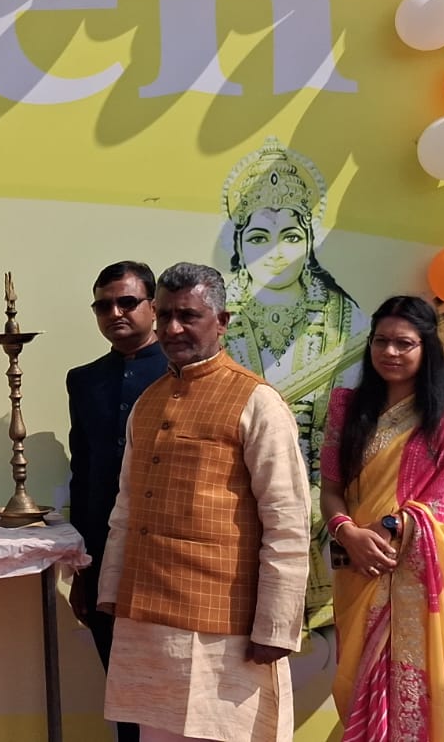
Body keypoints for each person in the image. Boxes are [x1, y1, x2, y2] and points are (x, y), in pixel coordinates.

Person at [98, 262, 311, 742]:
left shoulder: (257, 402)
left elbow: (287, 522)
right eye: (165, 315)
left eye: (189, 316)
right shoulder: (148, 402)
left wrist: (276, 627)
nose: (173, 328)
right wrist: (111, 590)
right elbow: (126, 509)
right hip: (147, 620)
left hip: (224, 627)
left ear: (222, 321)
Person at [320, 296, 444, 741]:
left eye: (404, 343)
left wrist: (392, 527)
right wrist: (348, 533)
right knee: (360, 688)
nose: (390, 352)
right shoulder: (347, 409)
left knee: (419, 698)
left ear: (426, 347)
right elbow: (331, 491)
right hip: (360, 573)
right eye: (381, 341)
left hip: (418, 582)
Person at [219, 141, 371, 631]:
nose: (275, 253)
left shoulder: (347, 319)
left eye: (290, 236)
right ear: (239, 244)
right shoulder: (216, 318)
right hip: (232, 499)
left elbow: (355, 420)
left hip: (324, 502)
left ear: (309, 241)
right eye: (259, 237)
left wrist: (320, 496)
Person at [65, 260, 167, 742]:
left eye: (128, 302)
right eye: (104, 306)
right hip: (106, 555)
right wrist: (82, 567)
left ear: (154, 306)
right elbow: (82, 472)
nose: (115, 313)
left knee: (170, 687)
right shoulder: (85, 380)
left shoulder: (183, 372)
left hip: (170, 557)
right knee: (123, 687)